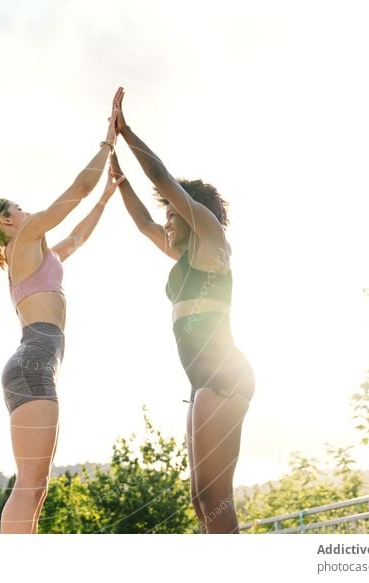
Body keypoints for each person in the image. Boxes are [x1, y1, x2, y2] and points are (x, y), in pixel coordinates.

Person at [0, 103, 122, 534]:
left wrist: (105, 197)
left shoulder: (36, 255)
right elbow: (77, 188)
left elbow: (77, 237)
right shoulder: (24, 239)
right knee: (30, 486)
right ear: (8, 220)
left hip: (36, 364)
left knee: (36, 486)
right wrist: (108, 139)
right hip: (32, 364)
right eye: (20, 208)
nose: (28, 213)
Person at [110, 87, 254, 533]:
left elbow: (162, 178)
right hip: (201, 380)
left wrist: (126, 133)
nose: (166, 222)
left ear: (191, 214)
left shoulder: (211, 243)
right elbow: (142, 222)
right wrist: (117, 178)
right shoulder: (185, 260)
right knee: (200, 498)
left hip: (224, 374)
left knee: (215, 495)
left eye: (172, 216)